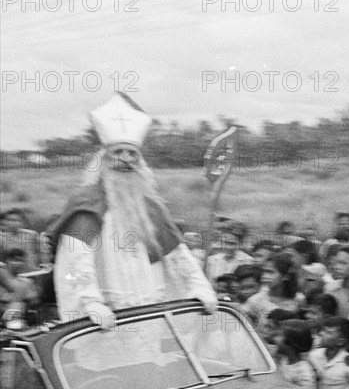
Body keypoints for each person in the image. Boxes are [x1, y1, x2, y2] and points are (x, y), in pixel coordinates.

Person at [49, 93, 216, 328]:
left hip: (149, 306)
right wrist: (91, 302)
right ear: (104, 162)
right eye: (118, 153)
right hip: (106, 315)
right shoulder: (87, 204)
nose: (126, 160)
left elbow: (178, 254)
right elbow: (75, 260)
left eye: (132, 154)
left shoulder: (151, 207)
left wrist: (198, 286)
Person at [243, 252, 305, 337]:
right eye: (264, 272)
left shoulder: (299, 299)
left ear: (285, 276)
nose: (265, 276)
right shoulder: (255, 301)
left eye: (271, 272)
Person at [308, 316, 349, 389]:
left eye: (329, 333)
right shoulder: (313, 355)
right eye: (323, 330)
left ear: (341, 342)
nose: (321, 334)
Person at [0, 208, 46, 272]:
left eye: (16, 220)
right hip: (13, 276)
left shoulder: (32, 235)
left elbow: (42, 253)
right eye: (9, 220)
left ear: (22, 222)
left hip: (33, 272)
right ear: (6, 222)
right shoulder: (2, 239)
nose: (13, 223)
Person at [277, 320, 316, 389]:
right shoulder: (284, 359)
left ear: (290, 345)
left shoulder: (303, 374)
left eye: (280, 336)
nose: (275, 339)